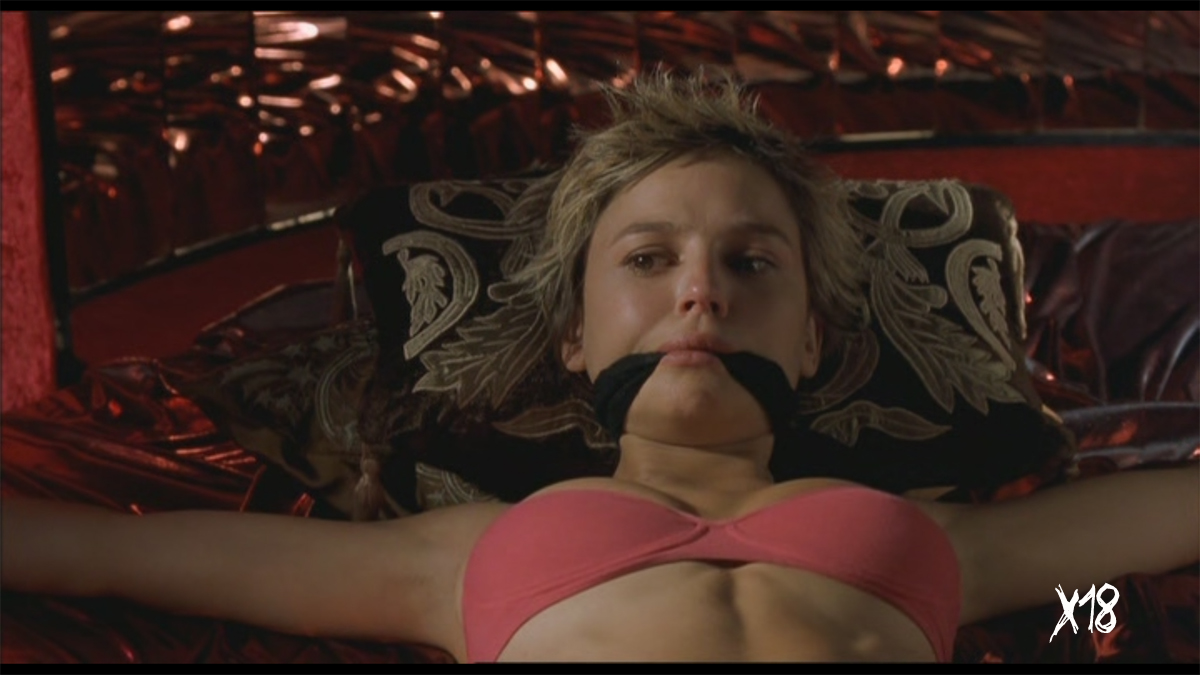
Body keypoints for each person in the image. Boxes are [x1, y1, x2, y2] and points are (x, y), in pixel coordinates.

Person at [3, 71, 1197, 664]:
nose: (701, 290)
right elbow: (103, 551)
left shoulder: (947, 542)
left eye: (751, 261)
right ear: (574, 338)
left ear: (814, 341)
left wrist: (1083, 617)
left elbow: (1144, 543)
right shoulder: (449, 558)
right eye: (649, 257)